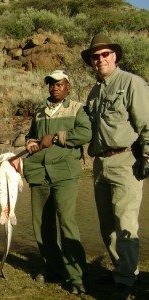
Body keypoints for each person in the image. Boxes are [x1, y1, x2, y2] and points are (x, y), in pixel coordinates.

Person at [81, 33, 149, 300]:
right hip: (100, 164)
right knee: (106, 225)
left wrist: (147, 156)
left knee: (126, 223)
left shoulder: (132, 83)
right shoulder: (94, 91)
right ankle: (121, 270)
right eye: (95, 56)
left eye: (105, 54)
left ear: (115, 55)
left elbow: (146, 122)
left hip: (125, 161)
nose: (100, 59)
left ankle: (125, 281)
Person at [23, 70, 92, 295]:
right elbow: (30, 136)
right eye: (51, 84)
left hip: (64, 173)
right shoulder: (40, 112)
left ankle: (76, 276)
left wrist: (54, 137)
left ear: (68, 87)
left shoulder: (77, 109)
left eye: (59, 84)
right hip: (38, 173)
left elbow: (85, 133)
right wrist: (30, 143)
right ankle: (52, 268)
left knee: (66, 222)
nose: (54, 88)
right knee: (42, 224)